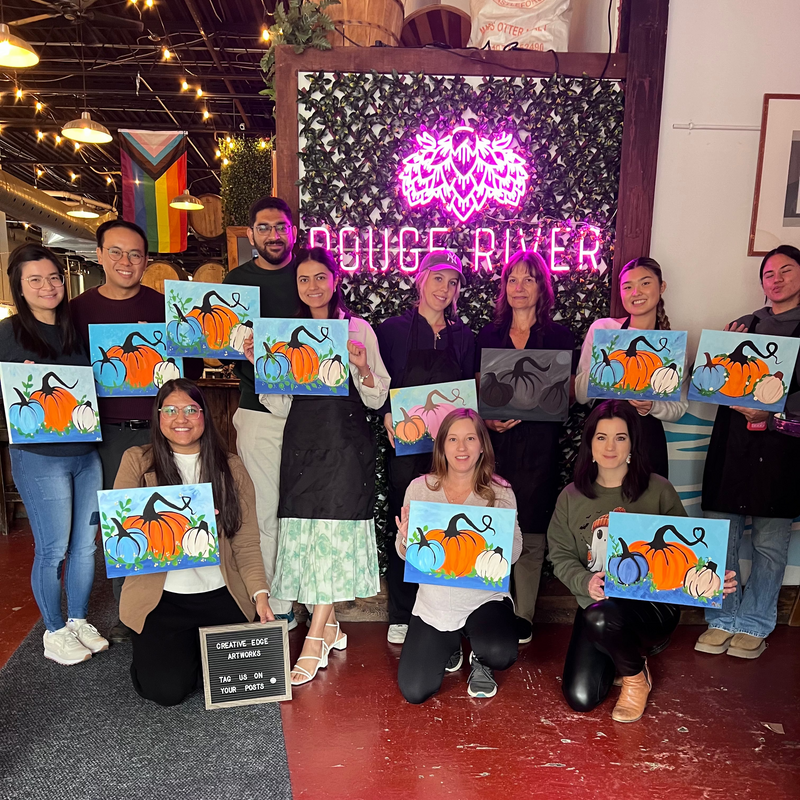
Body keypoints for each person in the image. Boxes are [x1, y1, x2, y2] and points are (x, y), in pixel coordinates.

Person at [246, 247, 390, 686]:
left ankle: (314, 640)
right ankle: (330, 627)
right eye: (304, 279)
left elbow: (377, 397)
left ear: (335, 279)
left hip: (346, 447)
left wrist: (362, 368)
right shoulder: (287, 333)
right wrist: (260, 365)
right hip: (301, 445)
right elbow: (280, 405)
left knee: (333, 536)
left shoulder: (358, 328)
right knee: (307, 534)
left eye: (320, 277)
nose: (313, 286)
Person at [547, 400, 737, 722]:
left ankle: (636, 679)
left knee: (603, 620)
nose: (610, 447)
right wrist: (585, 581)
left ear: (632, 444)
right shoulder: (571, 496)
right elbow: (560, 553)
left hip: (651, 608)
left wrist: (713, 576)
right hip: (597, 606)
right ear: (589, 444)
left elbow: (687, 549)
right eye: (601, 437)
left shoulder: (658, 489)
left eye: (620, 437)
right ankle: (624, 652)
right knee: (581, 697)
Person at [71, 219, 201, 644]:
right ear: (99, 255)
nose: (125, 261)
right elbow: (67, 367)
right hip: (108, 435)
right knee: (123, 521)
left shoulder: (165, 308)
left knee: (172, 515)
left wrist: (176, 353)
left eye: (135, 254)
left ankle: (176, 603)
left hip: (163, 430)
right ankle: (128, 612)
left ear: (146, 261)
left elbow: (192, 369)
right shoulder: (78, 310)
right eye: (116, 252)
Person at [115, 379, 273, 706]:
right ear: (158, 416)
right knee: (167, 691)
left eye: (191, 409)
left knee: (238, 682)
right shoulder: (137, 461)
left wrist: (260, 596)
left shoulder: (231, 467)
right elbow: (121, 534)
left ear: (204, 415)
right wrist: (182, 522)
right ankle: (157, 651)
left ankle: (193, 651)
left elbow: (246, 542)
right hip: (162, 599)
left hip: (221, 593)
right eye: (170, 410)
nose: (181, 419)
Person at [0, 244, 107, 665]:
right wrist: (18, 388)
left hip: (86, 453)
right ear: (19, 287)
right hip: (39, 456)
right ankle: (54, 629)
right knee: (53, 549)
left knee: (86, 546)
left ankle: (78, 620)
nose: (47, 286)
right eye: (35, 279)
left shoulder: (74, 329)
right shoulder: (7, 333)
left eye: (53, 277)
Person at [696, 244, 800, 660]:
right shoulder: (743, 325)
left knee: (770, 544)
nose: (776, 279)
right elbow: (711, 382)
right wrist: (720, 354)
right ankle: (721, 617)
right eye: (769, 273)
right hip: (733, 446)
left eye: (786, 271)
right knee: (721, 537)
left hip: (782, 451)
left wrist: (772, 410)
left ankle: (755, 622)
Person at [475, 250, 576, 645]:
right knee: (492, 526)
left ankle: (524, 616)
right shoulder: (487, 336)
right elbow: (475, 391)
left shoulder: (559, 337)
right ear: (504, 288)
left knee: (532, 531)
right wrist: (487, 420)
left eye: (528, 279)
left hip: (540, 448)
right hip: (494, 446)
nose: (519, 287)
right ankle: (490, 610)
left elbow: (567, 395)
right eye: (512, 279)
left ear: (541, 288)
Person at [376, 250, 475, 645]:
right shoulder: (392, 331)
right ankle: (402, 613)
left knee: (446, 523)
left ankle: (449, 612)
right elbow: (379, 383)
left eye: (452, 283)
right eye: (438, 279)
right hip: (406, 445)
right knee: (406, 522)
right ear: (420, 280)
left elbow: (468, 394)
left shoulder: (463, 337)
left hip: (452, 450)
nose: (444, 289)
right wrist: (386, 414)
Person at [396, 409, 522, 703]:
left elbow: (515, 552)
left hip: (483, 600)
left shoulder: (501, 492)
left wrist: (500, 543)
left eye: (470, 439)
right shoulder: (419, 489)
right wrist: (405, 539)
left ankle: (481, 658)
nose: (461, 447)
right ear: (442, 446)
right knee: (415, 690)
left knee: (500, 652)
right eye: (453, 439)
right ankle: (450, 644)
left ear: (482, 446)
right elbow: (407, 556)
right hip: (434, 605)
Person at [223, 196, 302, 630]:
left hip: (310, 414)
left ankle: (310, 598)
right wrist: (239, 349)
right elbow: (219, 349)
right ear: (251, 234)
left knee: (305, 509)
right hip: (258, 411)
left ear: (293, 232)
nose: (274, 235)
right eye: (264, 227)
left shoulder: (309, 276)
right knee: (266, 508)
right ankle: (277, 602)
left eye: (281, 227)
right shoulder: (236, 283)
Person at [575, 257, 688, 478]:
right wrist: (606, 356)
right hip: (603, 438)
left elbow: (678, 409)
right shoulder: (603, 328)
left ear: (661, 287)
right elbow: (580, 395)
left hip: (647, 441)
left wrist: (651, 406)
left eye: (645, 283)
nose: (636, 292)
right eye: (628, 286)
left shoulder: (672, 345)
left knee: (646, 497)